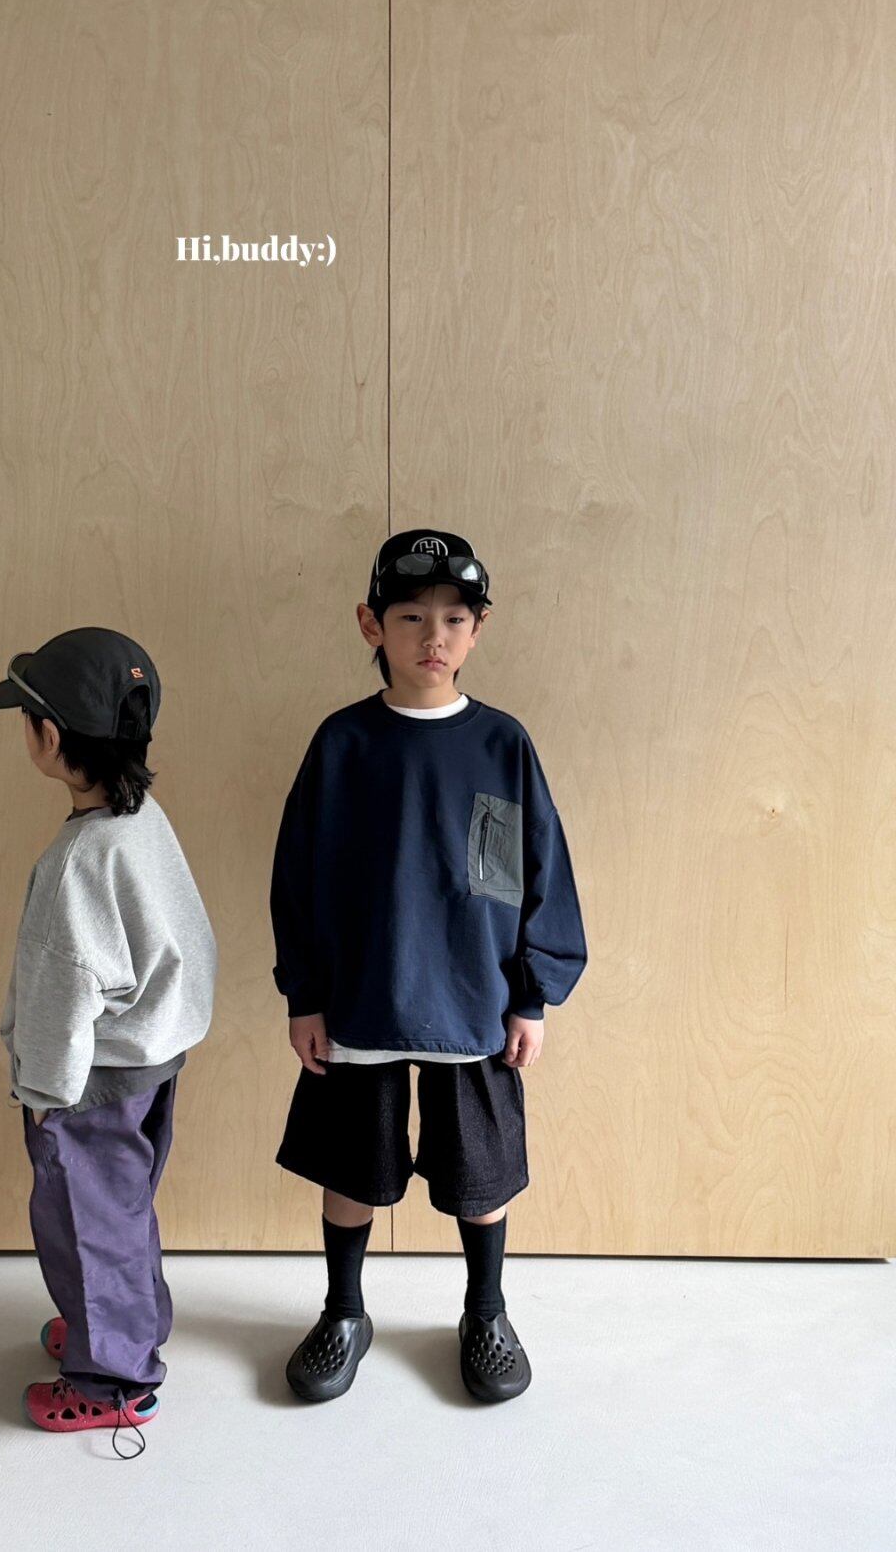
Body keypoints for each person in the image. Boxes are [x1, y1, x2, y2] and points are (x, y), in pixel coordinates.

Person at [269, 529, 587, 1404]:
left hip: (474, 1001)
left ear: (478, 630)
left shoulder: (500, 744)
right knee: (350, 1169)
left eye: (453, 618)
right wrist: (305, 994)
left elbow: (531, 872)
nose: (433, 636)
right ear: (371, 624)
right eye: (411, 616)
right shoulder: (343, 744)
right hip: (362, 995)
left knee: (481, 1174)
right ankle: (343, 1312)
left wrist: (532, 996)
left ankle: (486, 1312)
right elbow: (298, 875)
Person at [0, 628, 216, 1456]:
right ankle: (123, 1320)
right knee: (121, 1208)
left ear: (49, 738)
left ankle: (113, 1380)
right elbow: (188, 934)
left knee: (83, 1221)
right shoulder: (143, 820)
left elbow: (61, 995)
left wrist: (45, 1095)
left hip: (91, 1079)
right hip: (152, 1055)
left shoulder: (77, 864)